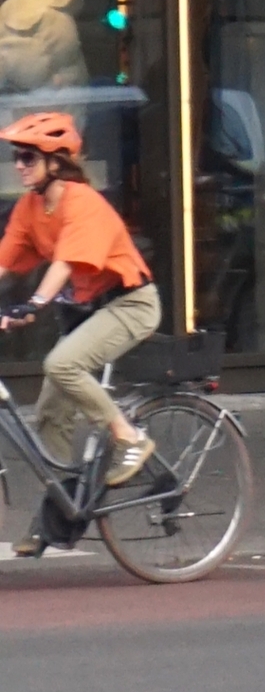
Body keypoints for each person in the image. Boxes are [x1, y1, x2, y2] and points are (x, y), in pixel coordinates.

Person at [0, 112, 160, 550]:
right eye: (16, 157)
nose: (19, 165)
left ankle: (129, 438)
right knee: (50, 412)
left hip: (131, 304)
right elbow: (4, 262)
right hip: (90, 312)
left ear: (56, 161)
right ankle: (60, 511)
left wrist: (34, 303)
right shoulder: (30, 208)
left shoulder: (82, 201)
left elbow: (65, 264)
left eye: (28, 157)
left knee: (62, 363)